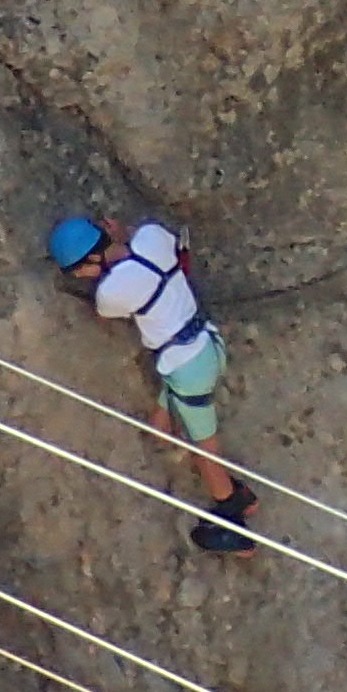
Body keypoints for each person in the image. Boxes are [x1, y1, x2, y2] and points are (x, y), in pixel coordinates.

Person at [50, 212, 258, 553]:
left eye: (79, 271)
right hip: (206, 344)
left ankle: (233, 519)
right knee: (164, 423)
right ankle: (231, 490)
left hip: (186, 366)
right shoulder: (150, 236)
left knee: (204, 448)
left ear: (90, 261)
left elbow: (104, 313)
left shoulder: (111, 291)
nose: (81, 278)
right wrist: (123, 235)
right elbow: (150, 242)